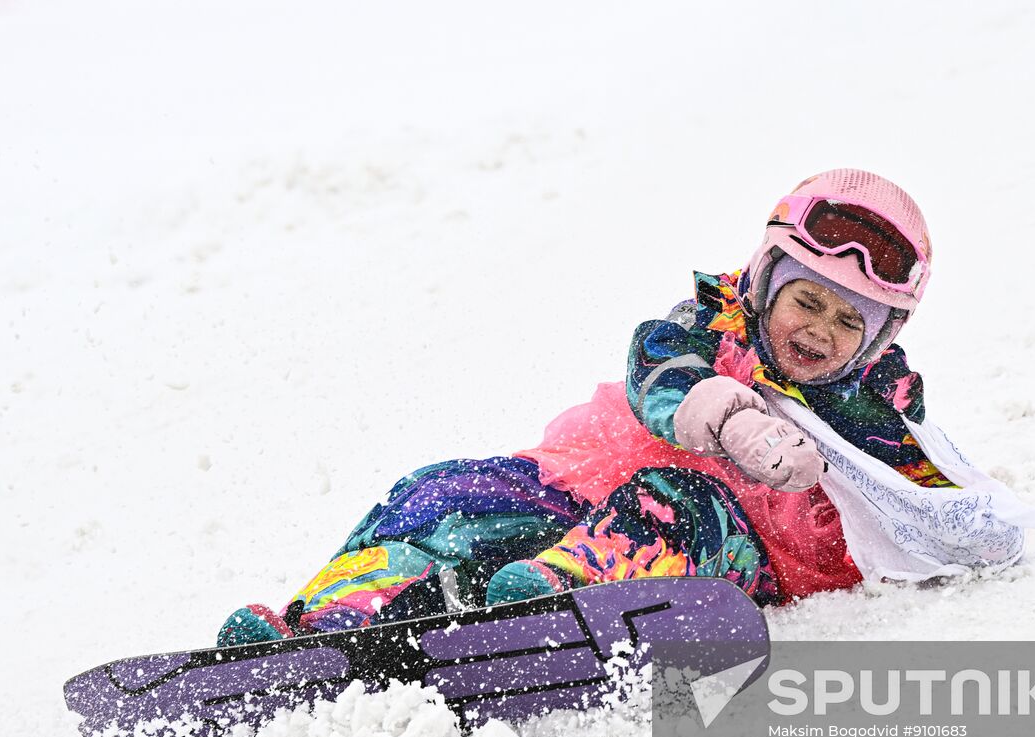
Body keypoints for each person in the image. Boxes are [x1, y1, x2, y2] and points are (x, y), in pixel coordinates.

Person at [217, 168, 994, 647]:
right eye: (808, 301)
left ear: (880, 335)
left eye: (850, 320)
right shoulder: (706, 326)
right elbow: (660, 374)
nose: (821, 329)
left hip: (734, 541)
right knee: (447, 488)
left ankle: (559, 600)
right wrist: (734, 420)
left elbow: (938, 499)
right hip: (590, 479)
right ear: (765, 282)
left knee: (676, 500)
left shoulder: (876, 400)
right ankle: (326, 622)